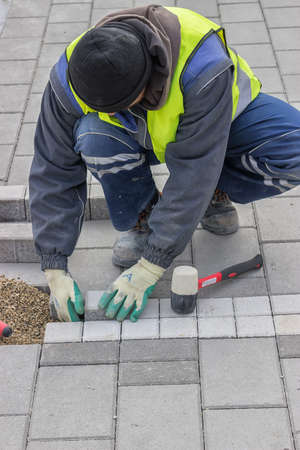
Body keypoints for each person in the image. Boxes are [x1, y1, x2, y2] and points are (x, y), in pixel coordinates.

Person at [29, 5, 300, 323]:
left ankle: (214, 194)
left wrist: (150, 266)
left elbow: (195, 166)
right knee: (92, 136)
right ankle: (143, 216)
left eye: (119, 106)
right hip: (141, 134)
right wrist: (53, 265)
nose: (112, 114)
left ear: (147, 78)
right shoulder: (74, 72)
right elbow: (52, 166)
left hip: (215, 124)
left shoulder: (202, 64)